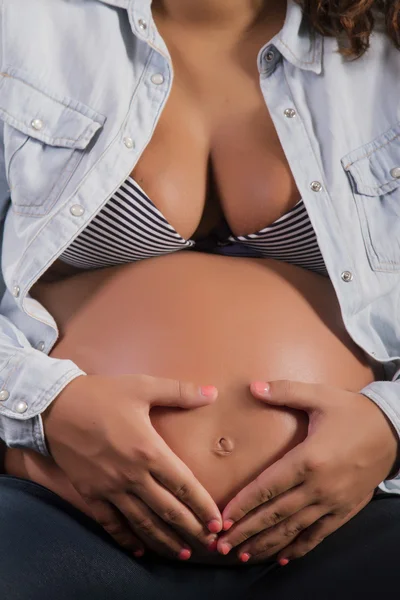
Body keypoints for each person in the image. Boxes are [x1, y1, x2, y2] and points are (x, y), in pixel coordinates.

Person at [0, 0, 399, 598]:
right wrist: (44, 407)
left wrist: (390, 427)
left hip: (357, 527)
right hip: (55, 520)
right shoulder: (24, 26)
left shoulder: (386, 45)